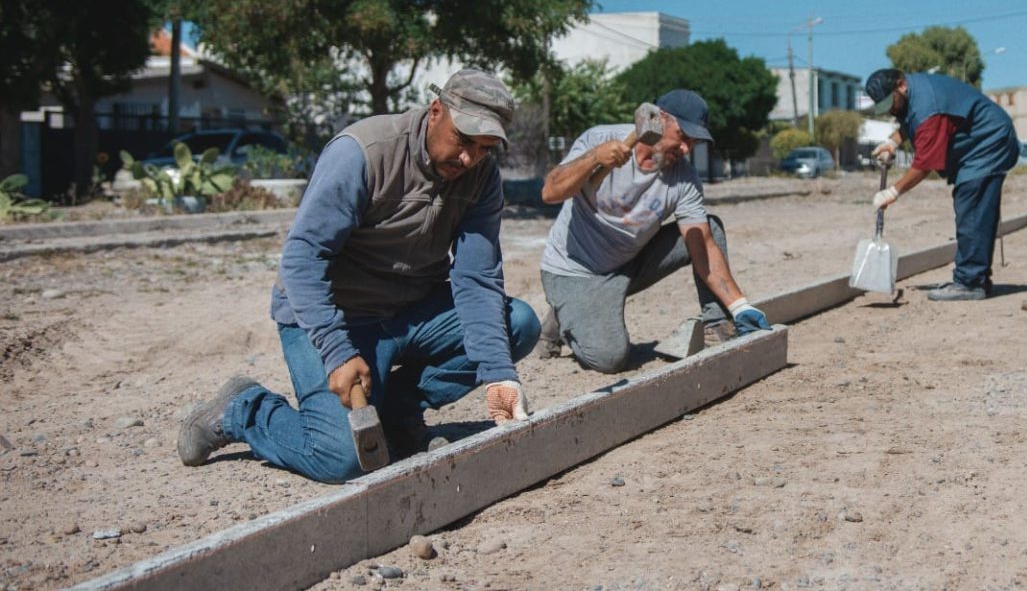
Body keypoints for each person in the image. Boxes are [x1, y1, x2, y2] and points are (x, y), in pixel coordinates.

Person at [177, 70, 541, 483]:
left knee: (519, 324)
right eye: (464, 140)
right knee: (340, 458)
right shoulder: (364, 152)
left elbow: (476, 278)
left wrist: (498, 374)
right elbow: (301, 260)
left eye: (484, 148)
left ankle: (398, 413)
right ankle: (243, 409)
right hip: (339, 316)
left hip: (412, 311)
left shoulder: (481, 177)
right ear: (436, 111)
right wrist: (336, 350)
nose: (469, 159)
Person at [537, 89, 770, 373]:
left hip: (629, 263)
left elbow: (704, 246)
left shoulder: (684, 177)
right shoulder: (599, 139)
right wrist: (593, 158)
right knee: (610, 358)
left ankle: (718, 325)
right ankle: (565, 314)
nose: (686, 149)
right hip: (575, 271)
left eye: (693, 142)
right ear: (659, 120)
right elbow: (550, 192)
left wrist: (740, 306)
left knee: (710, 228)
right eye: (683, 137)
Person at [865, 67, 1018, 301]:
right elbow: (910, 120)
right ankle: (975, 278)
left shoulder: (929, 107)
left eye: (891, 102)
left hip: (989, 142)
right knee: (972, 205)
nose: (892, 110)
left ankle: (970, 282)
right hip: (978, 144)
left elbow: (925, 164)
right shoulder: (914, 93)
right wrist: (892, 142)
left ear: (901, 86)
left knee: (972, 205)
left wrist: (893, 191)